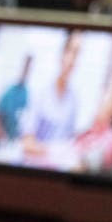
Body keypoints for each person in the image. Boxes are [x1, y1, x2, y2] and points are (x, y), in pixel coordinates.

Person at [21, 29, 82, 170]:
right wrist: (55, 153)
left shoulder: (74, 100)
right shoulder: (40, 92)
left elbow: (69, 142)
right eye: (71, 52)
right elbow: (26, 145)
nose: (73, 60)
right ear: (62, 54)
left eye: (78, 54)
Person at [71, 68, 112, 175]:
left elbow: (79, 168)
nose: (102, 91)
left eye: (108, 89)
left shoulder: (111, 142)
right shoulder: (89, 130)